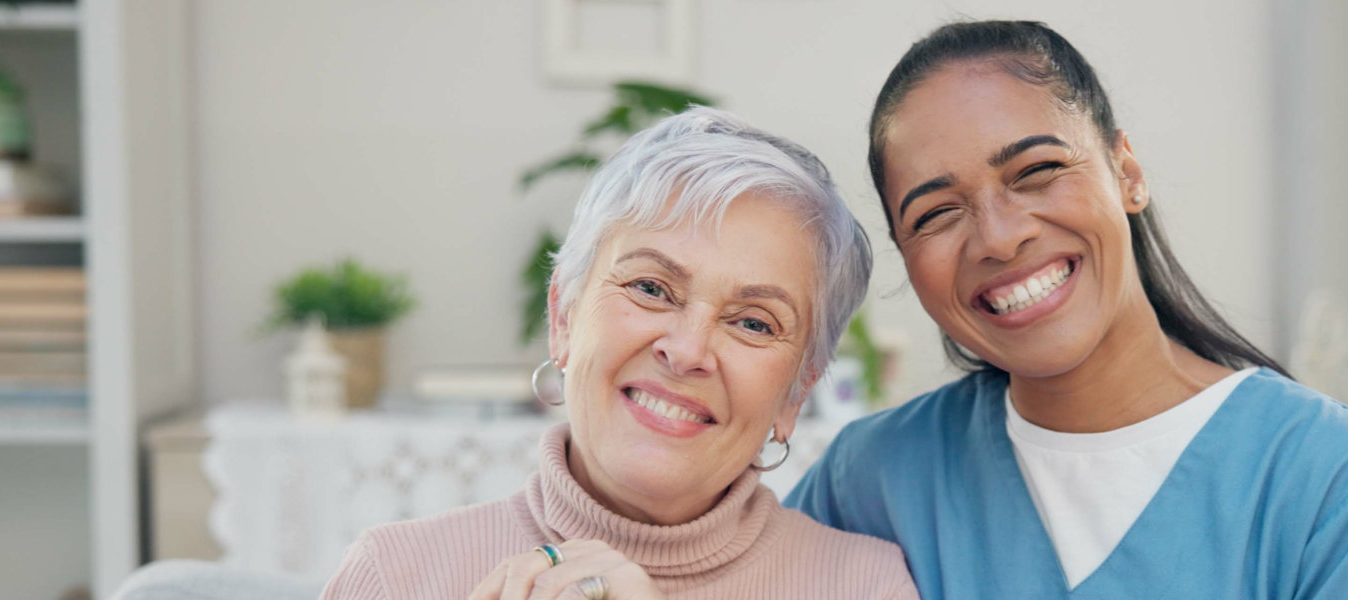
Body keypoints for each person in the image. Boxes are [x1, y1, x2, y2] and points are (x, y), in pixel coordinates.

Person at [786, 21, 1348, 599]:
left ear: (1126, 172)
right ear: (905, 255)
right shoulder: (871, 480)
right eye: (936, 212)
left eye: (1036, 171)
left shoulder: (1342, 487)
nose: (999, 236)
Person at [322, 107, 916, 600]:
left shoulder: (865, 584)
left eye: (754, 323)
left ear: (797, 393)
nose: (687, 352)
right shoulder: (393, 575)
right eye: (651, 288)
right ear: (564, 317)